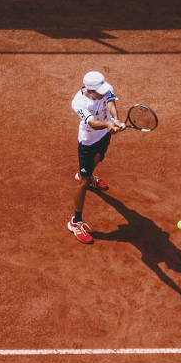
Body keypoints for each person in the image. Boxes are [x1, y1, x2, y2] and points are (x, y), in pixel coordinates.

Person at [66, 69, 125, 244]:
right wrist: (108, 124)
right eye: (98, 92)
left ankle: (89, 174)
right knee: (83, 182)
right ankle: (75, 222)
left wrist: (115, 120)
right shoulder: (78, 102)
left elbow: (111, 103)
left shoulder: (103, 89)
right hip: (88, 142)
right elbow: (91, 122)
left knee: (98, 159)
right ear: (89, 90)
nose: (103, 93)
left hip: (103, 137)